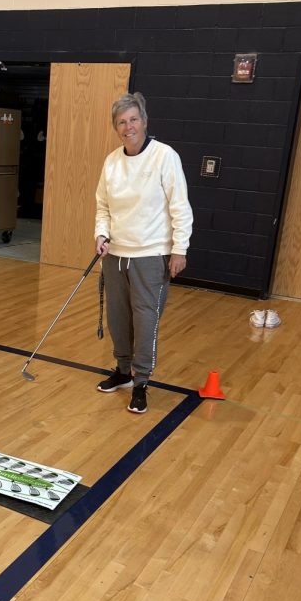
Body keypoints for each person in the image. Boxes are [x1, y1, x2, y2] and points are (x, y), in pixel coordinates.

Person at [94, 92, 193, 414]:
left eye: (133, 119)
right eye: (122, 122)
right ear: (116, 127)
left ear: (145, 122)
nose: (128, 126)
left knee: (146, 321)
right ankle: (122, 371)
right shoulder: (111, 161)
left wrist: (179, 249)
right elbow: (103, 207)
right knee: (118, 319)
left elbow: (180, 208)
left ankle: (141, 382)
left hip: (151, 255)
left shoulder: (165, 157)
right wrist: (101, 233)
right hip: (116, 255)